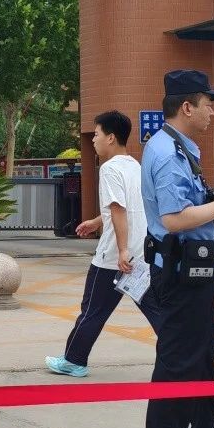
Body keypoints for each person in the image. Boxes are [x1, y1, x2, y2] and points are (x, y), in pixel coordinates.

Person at [140, 69, 214, 428]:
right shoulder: (168, 153)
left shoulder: (179, 146)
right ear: (187, 107)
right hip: (180, 274)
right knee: (179, 359)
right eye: (207, 104)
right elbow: (173, 218)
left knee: (201, 354)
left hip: (195, 270)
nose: (212, 112)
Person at [46, 111, 162, 377]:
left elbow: (119, 209)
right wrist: (97, 222)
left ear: (110, 138)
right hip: (140, 254)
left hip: (113, 258)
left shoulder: (109, 169)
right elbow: (129, 207)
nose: (93, 140)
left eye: (96, 134)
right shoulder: (135, 167)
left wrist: (121, 250)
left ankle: (74, 360)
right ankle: (181, 355)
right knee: (155, 310)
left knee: (92, 310)